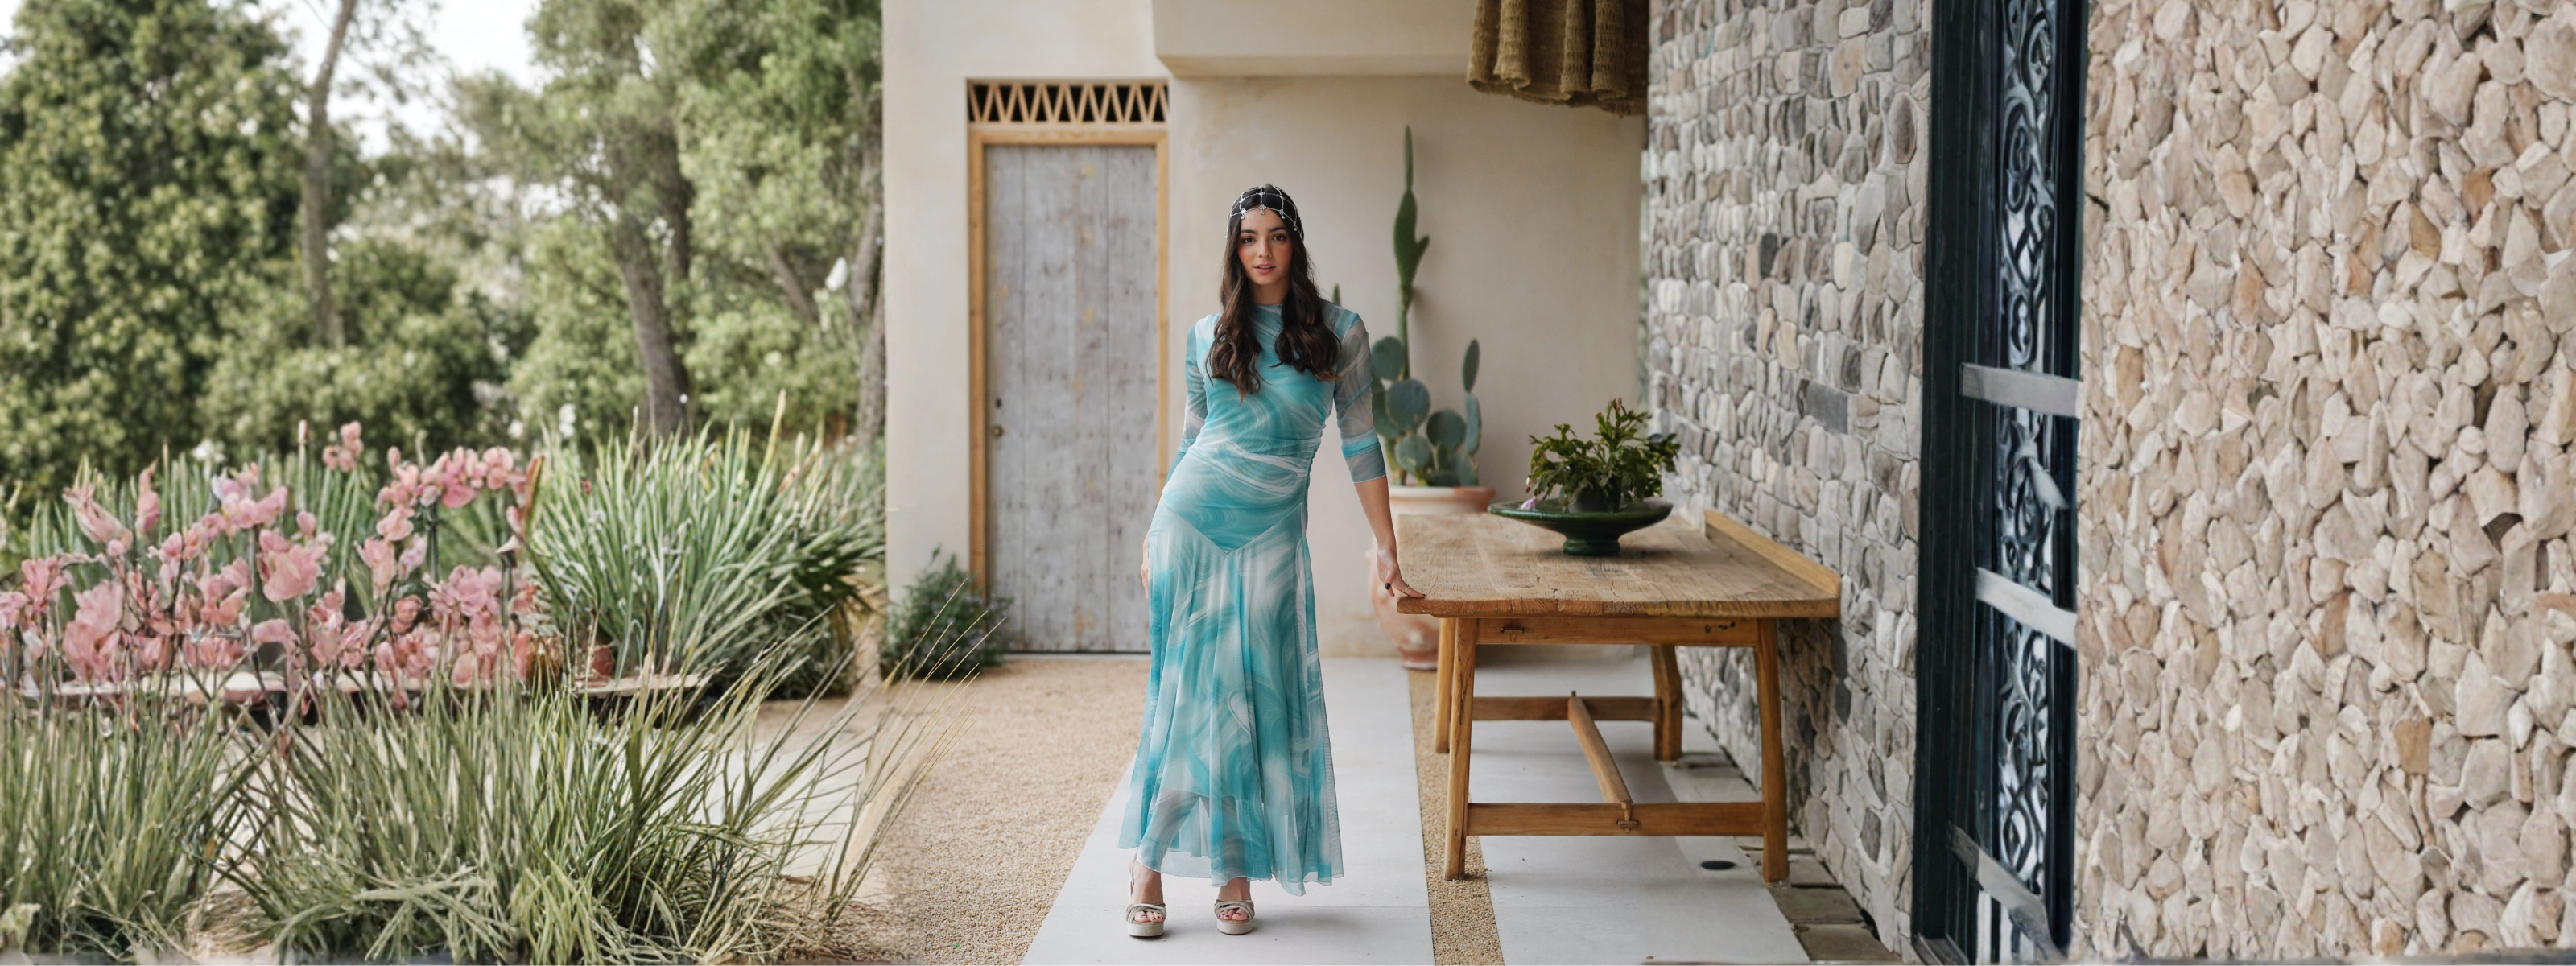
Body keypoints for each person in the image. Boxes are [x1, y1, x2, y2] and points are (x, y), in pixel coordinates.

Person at [1121, 184, 1424, 938]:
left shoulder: (1340, 334)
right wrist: (1155, 529)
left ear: (1296, 244)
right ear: (1235, 249)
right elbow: (1195, 439)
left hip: (1274, 533)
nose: (1262, 251)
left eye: (1276, 236)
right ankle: (1148, 866)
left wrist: (1388, 545)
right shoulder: (1206, 337)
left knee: (1251, 700)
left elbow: (1360, 443)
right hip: (1193, 524)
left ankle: (1233, 867)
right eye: (1249, 237)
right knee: (1188, 696)